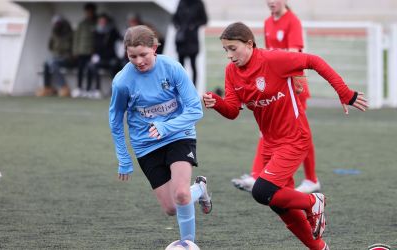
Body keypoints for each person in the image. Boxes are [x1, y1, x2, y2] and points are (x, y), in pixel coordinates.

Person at [203, 22, 367, 250]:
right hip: (270, 144)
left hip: (294, 138)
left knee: (262, 191)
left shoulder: (273, 60)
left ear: (249, 44)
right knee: (280, 204)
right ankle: (320, 248)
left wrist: (345, 93)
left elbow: (314, 61)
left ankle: (313, 201)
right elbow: (232, 111)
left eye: (233, 48)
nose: (230, 55)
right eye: (226, 50)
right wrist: (216, 102)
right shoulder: (231, 72)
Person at [108, 25, 212, 245]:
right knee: (171, 208)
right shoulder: (122, 82)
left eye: (143, 54)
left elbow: (195, 109)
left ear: (154, 48)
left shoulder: (172, 69)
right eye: (132, 56)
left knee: (181, 194)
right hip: (146, 145)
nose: (138, 61)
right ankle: (200, 189)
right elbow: (115, 120)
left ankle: (187, 244)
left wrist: (167, 127)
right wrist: (124, 158)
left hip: (179, 135)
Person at [231, 0, 320, 193]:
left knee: (298, 133)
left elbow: (294, 55)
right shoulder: (267, 22)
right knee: (269, 130)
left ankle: (309, 179)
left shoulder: (293, 22)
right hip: (277, 86)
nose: (271, 2)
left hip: (293, 86)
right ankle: (260, 175)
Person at [36, 15, 74, 97]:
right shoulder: (54, 33)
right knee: (46, 63)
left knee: (53, 63)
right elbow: (50, 46)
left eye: (57, 24)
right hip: (58, 57)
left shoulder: (69, 33)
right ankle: (47, 87)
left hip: (69, 58)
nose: (56, 26)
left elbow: (74, 47)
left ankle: (64, 87)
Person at [86, 13, 121, 99]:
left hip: (111, 58)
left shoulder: (113, 32)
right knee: (91, 65)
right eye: (100, 22)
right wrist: (94, 55)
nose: (102, 23)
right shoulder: (95, 32)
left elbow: (119, 43)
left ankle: (114, 90)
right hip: (100, 59)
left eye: (104, 22)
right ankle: (96, 89)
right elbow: (94, 46)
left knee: (115, 65)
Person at [173, 0, 208, 85]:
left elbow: (204, 20)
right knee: (180, 66)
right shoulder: (181, 2)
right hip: (181, 39)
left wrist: (194, 25)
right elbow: (175, 18)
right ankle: (181, 86)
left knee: (193, 64)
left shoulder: (199, 3)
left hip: (192, 39)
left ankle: (193, 88)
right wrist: (178, 26)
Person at [71, 3, 97, 98]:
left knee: (90, 69)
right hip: (81, 51)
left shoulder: (96, 23)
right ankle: (79, 88)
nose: (89, 13)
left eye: (90, 11)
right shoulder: (81, 24)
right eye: (87, 12)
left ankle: (88, 89)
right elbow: (76, 38)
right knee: (80, 70)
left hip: (91, 52)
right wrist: (75, 51)